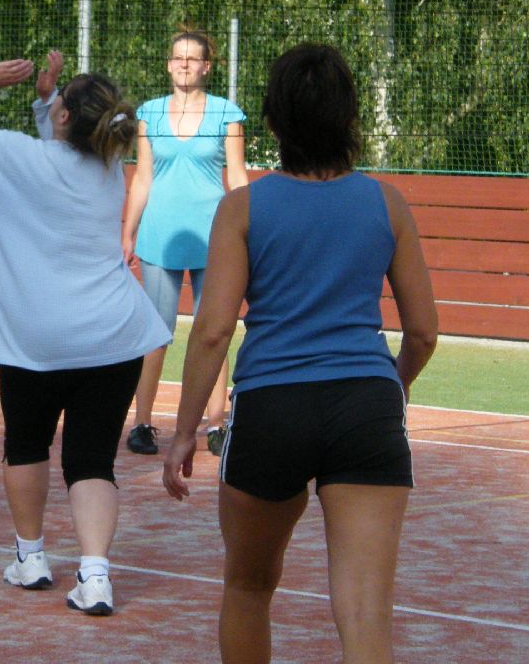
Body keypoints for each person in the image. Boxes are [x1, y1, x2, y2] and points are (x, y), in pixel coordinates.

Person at [162, 43, 438, 664]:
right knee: (365, 612)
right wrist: (393, 387)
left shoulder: (243, 208)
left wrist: (182, 434)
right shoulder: (386, 203)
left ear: (272, 121)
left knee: (248, 586)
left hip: (271, 407)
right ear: (350, 117)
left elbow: (213, 331)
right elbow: (423, 333)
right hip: (365, 406)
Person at [0, 51, 170, 616]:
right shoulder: (108, 167)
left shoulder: (16, 159)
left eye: (60, 103)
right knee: (92, 462)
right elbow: (64, 152)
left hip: (35, 341)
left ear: (67, 118)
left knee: (25, 445)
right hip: (113, 338)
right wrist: (47, 102)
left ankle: (31, 557)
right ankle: (95, 577)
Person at [121, 28, 248, 457]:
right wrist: (128, 233)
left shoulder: (227, 114)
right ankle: (142, 423)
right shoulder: (150, 114)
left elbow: (238, 177)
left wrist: (248, 228)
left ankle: (217, 424)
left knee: (214, 329)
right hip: (159, 236)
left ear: (206, 66)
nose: (185, 65)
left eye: (193, 59)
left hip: (215, 237)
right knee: (154, 333)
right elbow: (142, 178)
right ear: (169, 64)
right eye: (178, 58)